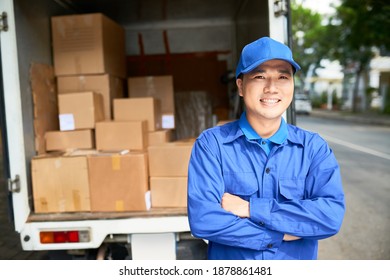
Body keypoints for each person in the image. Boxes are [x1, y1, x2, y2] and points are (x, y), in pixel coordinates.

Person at [187, 36, 345, 260]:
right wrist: (279, 234)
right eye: (260, 76)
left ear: (291, 85)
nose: (272, 88)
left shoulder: (313, 148)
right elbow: (204, 220)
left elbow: (329, 217)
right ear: (241, 86)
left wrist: (251, 209)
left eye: (282, 76)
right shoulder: (212, 145)